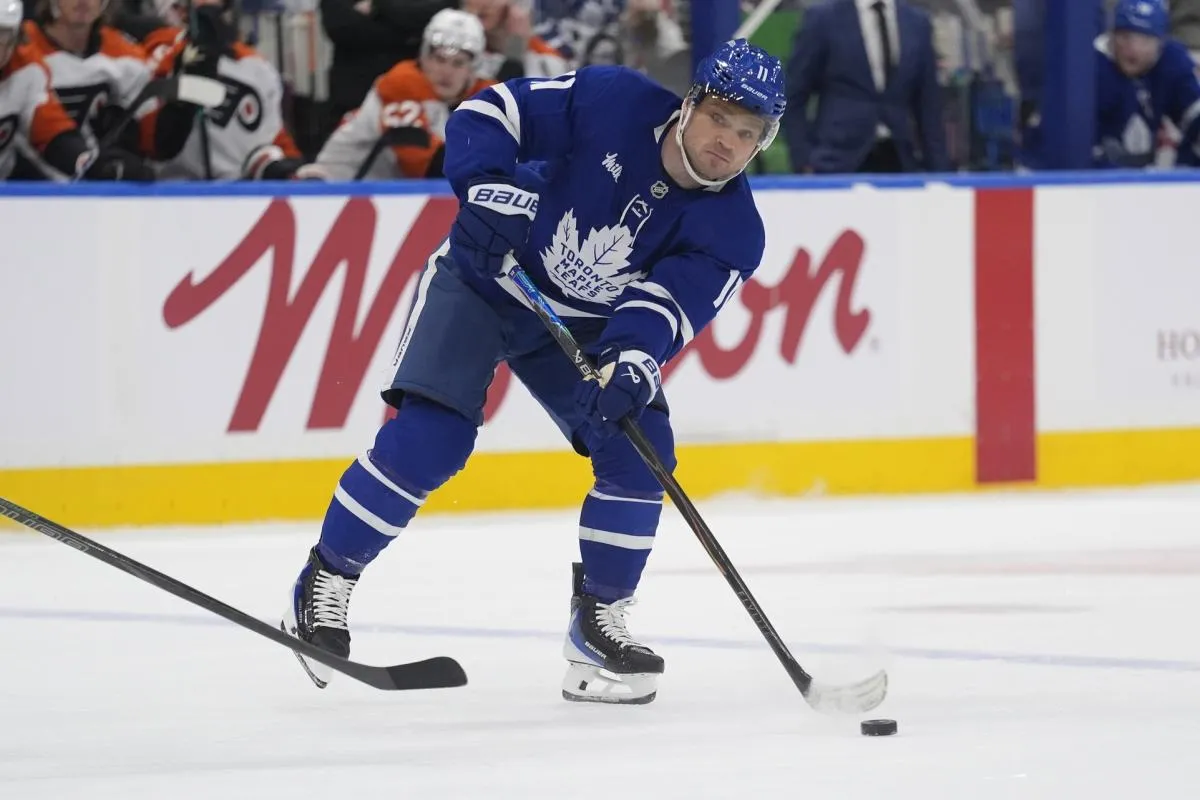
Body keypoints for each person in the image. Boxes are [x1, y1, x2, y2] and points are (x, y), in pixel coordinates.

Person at [280, 38, 785, 705]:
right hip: (487, 278)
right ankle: (325, 581)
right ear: (690, 104)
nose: (727, 141)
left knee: (640, 453)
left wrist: (631, 364)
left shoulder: (735, 231)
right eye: (720, 118)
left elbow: (661, 310)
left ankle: (597, 624)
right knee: (434, 437)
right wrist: (485, 186)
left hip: (580, 326)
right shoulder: (613, 100)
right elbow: (493, 115)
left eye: (747, 133)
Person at [313, 8, 493, 180]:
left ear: (472, 70)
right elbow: (423, 164)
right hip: (333, 192)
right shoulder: (401, 84)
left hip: (389, 198)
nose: (446, 72)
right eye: (439, 59)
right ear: (423, 57)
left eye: (458, 63)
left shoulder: (487, 94)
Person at [141, 0, 310, 180]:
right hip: (170, 192)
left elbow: (274, 139)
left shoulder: (257, 67)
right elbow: (146, 138)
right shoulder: (158, 53)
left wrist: (292, 170)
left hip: (236, 196)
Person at [782, 0, 947, 174]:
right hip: (835, 160)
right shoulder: (822, 18)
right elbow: (794, 94)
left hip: (901, 159)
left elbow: (929, 104)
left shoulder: (917, 22)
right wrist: (803, 160)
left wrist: (940, 170)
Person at [0, 0, 143, 180]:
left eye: (2, 35)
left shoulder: (26, 70)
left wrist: (89, 164)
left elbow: (50, 128)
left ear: (16, 38)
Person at [1095, 0, 1200, 168]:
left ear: (1160, 43)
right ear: (1112, 36)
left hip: (1145, 177)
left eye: (1145, 40)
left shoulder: (1171, 62)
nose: (1133, 48)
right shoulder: (1094, 69)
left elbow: (1194, 116)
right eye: (1125, 36)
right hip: (1093, 179)